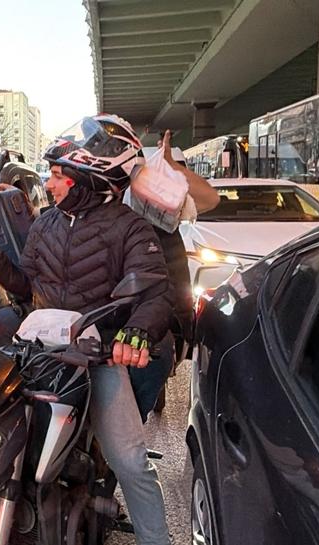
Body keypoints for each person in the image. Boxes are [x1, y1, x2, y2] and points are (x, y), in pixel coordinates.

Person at [0, 114, 172, 545]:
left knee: (131, 461)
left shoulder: (132, 228)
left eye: (58, 175)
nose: (51, 184)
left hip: (95, 356)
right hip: (39, 353)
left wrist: (135, 334)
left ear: (88, 177)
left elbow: (154, 294)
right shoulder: (45, 225)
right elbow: (28, 286)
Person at [129, 130, 220, 421]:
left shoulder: (164, 204)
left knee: (158, 354)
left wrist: (171, 165)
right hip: (124, 302)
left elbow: (209, 198)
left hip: (164, 301)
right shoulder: (107, 199)